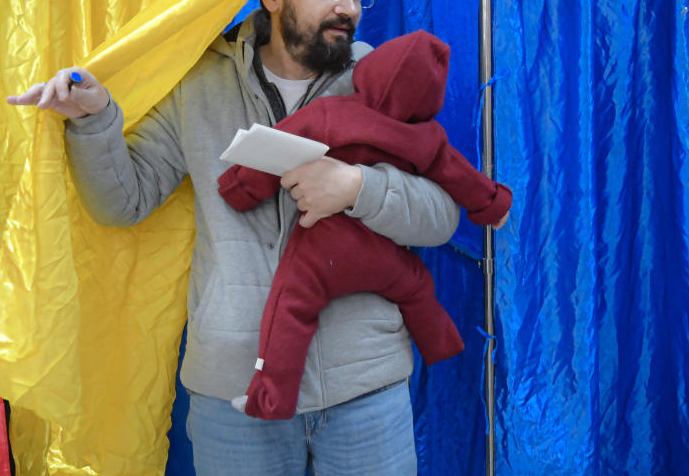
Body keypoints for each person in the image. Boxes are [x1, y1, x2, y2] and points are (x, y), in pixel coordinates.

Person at [8, 0, 461, 476]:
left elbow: (441, 216)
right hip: (233, 393)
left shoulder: (377, 80)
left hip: (362, 388)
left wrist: (357, 187)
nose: (348, 7)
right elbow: (122, 202)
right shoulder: (199, 84)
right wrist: (95, 121)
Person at [217, 30, 512, 420]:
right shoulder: (429, 139)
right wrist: (493, 205)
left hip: (326, 248)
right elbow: (463, 179)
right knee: (415, 284)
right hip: (381, 252)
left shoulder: (332, 112)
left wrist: (238, 186)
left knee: (290, 306)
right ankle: (441, 342)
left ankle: (272, 396)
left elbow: (282, 143)